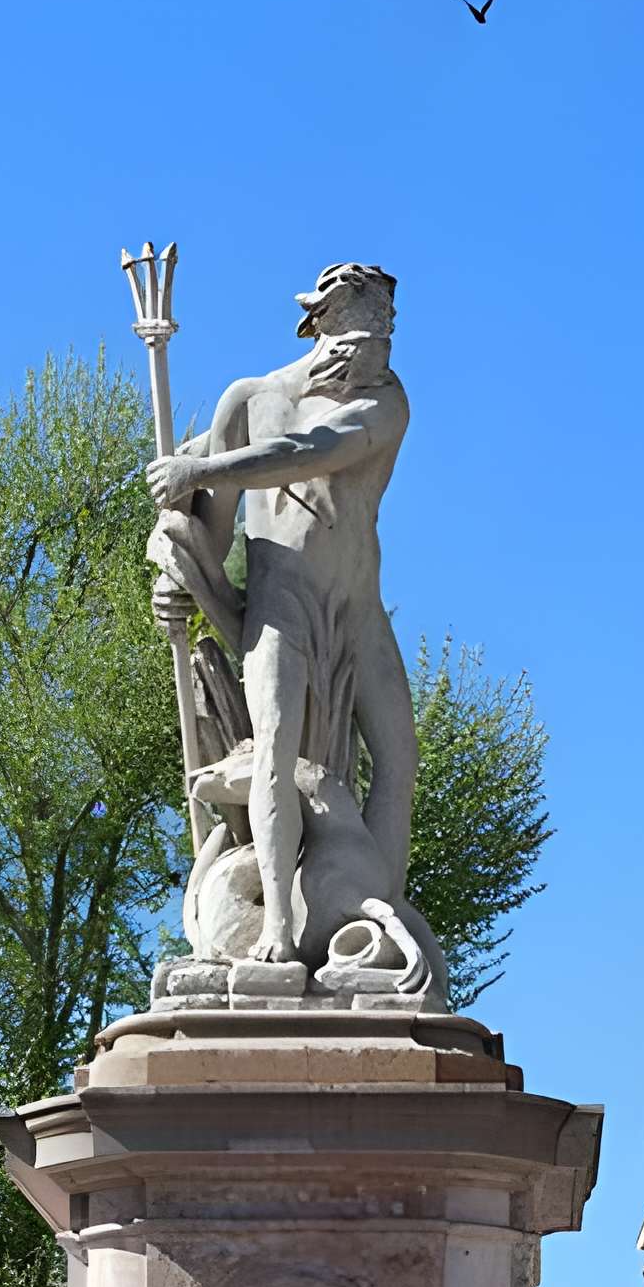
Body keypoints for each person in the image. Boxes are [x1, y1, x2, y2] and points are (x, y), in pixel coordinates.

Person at [145, 262, 419, 967]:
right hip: (283, 601)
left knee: (399, 755)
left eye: (387, 341)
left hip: (355, 603)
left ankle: (371, 918)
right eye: (367, 341)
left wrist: (201, 468)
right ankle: (278, 933)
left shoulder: (386, 402)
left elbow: (313, 452)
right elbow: (209, 530)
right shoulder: (249, 400)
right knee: (272, 750)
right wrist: (178, 572)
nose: (378, 359)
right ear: (323, 327)